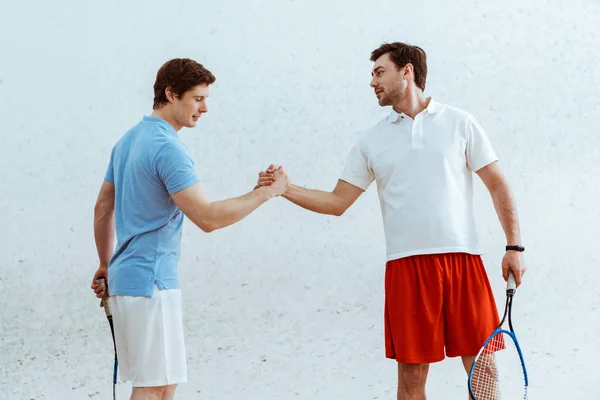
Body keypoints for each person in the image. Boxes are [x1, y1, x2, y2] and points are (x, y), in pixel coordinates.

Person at [255, 42, 527, 399]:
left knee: (484, 368)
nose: (372, 82)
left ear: (407, 71)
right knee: (411, 378)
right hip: (407, 268)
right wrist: (285, 189)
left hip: (463, 261)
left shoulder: (460, 122)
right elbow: (338, 202)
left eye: (379, 72)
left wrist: (514, 246)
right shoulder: (372, 140)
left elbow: (497, 184)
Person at [90, 58, 288, 400]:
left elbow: (102, 207)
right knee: (154, 389)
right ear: (171, 93)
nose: (205, 107)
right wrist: (267, 192)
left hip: (127, 280)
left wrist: (106, 264)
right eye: (198, 98)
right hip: (151, 282)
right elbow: (208, 218)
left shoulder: (127, 140)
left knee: (162, 386)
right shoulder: (168, 148)